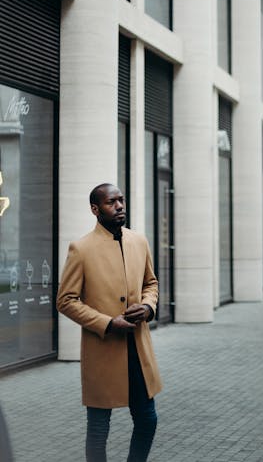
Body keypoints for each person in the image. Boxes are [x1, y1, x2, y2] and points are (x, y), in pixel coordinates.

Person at [57, 183, 163, 462]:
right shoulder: (81, 249)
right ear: (95, 209)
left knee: (148, 420)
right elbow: (65, 300)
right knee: (98, 429)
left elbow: (150, 283)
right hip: (103, 350)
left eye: (121, 200)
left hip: (138, 350)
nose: (119, 206)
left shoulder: (139, 241)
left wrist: (149, 307)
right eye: (111, 202)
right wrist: (106, 323)